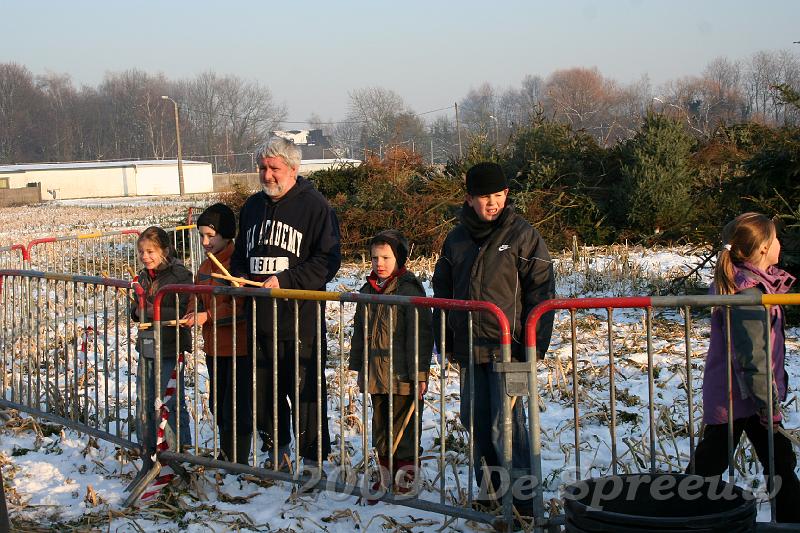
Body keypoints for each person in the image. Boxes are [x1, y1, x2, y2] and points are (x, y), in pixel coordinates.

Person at [431, 162, 555, 514]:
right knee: (478, 425)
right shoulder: (455, 239)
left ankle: (524, 505)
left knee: (510, 430)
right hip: (471, 350)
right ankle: (490, 495)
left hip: (510, 351)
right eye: (485, 197)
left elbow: (542, 292)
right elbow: (442, 291)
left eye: (499, 196)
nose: (493, 203)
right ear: (469, 199)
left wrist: (532, 347)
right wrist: (447, 339)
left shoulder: (523, 236)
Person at [231, 137, 341, 474]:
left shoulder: (315, 206)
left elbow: (328, 260)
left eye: (273, 168)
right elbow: (239, 257)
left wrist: (286, 281)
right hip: (260, 319)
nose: (266, 175)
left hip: (299, 320)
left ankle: (312, 460)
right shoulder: (251, 207)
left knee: (305, 392)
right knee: (266, 392)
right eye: (262, 168)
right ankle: (277, 452)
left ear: (292, 169)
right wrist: (236, 276)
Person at [690, 212, 799, 523]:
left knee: (779, 462)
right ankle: (676, 514)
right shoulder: (748, 293)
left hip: (748, 397)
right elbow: (753, 356)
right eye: (775, 238)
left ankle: (792, 520)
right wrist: (768, 403)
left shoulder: (756, 285)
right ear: (763, 248)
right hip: (741, 397)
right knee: (709, 464)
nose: (780, 243)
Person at [348, 230, 433, 501]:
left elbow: (418, 336)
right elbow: (360, 333)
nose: (379, 263)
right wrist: (361, 368)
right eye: (374, 258)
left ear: (400, 258)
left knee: (405, 426)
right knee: (381, 425)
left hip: (403, 374)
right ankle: (384, 472)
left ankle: (406, 476)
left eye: (386, 257)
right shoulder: (367, 290)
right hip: (376, 373)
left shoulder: (409, 290)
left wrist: (419, 372)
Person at [182, 203, 251, 465]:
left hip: (237, 347)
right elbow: (196, 295)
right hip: (213, 347)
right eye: (201, 235)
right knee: (218, 404)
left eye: (211, 236)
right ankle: (226, 450)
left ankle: (239, 457)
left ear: (226, 235)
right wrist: (192, 311)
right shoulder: (205, 265)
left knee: (237, 406)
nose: (205, 241)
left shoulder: (235, 264)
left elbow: (237, 303)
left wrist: (207, 316)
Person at [132, 226, 193, 474]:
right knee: (144, 399)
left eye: (150, 251)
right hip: (147, 345)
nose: (145, 257)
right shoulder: (143, 275)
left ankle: (180, 448)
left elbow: (183, 311)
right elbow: (135, 309)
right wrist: (137, 310)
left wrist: (151, 310)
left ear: (164, 251)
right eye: (141, 252)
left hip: (170, 345)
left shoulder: (180, 275)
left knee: (169, 400)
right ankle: (148, 450)